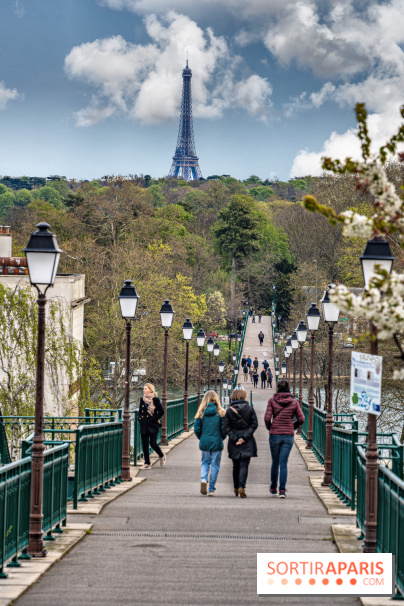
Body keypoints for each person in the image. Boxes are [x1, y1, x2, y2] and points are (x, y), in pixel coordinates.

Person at [264, 379, 305, 498]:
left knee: (275, 462)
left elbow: (267, 418)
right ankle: (282, 490)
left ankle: (273, 488)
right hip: (288, 435)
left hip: (275, 434)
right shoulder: (294, 402)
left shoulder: (272, 401)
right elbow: (301, 418)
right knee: (284, 463)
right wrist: (293, 427)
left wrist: (270, 428)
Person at [223, 388, 258, 498]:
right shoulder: (249, 408)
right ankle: (242, 486)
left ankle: (235, 487)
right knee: (244, 465)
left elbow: (226, 426)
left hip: (234, 441)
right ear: (244, 396)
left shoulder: (229, 410)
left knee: (235, 465)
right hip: (247, 441)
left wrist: (234, 438)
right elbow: (254, 424)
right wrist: (244, 437)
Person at [194, 391, 226, 496]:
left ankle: (203, 479)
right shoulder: (221, 413)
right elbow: (224, 429)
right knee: (215, 465)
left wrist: (201, 438)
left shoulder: (201, 413)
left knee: (205, 462)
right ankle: (211, 488)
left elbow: (197, 429)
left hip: (205, 441)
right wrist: (222, 437)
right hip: (217, 442)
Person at [138, 383, 166, 469]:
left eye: (145, 389)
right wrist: (139, 418)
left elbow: (161, 411)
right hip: (144, 425)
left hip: (152, 425)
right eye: (143, 389)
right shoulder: (142, 400)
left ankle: (161, 455)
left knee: (153, 443)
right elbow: (140, 411)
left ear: (150, 390)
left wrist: (154, 418)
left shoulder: (155, 400)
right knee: (145, 444)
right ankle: (147, 463)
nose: (144, 390)